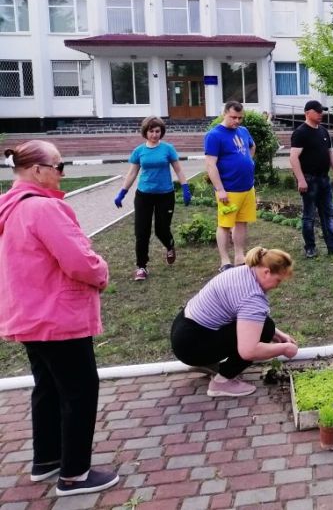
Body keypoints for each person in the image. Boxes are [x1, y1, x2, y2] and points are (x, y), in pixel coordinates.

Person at [0, 141, 119, 496]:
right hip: (57, 315)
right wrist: (102, 272)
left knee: (49, 387)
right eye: (58, 165)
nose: (62, 172)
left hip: (31, 313)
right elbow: (79, 261)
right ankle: (74, 475)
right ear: (37, 170)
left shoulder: (11, 207)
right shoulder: (43, 209)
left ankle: (48, 459)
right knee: (80, 391)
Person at [170, 246, 299, 397]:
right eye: (278, 280)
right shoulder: (252, 298)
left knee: (266, 326)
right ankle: (221, 382)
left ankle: (210, 364)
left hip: (183, 331)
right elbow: (249, 351)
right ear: (266, 272)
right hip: (192, 346)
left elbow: (246, 318)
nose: (278, 286)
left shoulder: (244, 271)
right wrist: (284, 349)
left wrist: (278, 334)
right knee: (265, 329)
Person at [114, 116, 192, 281]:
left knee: (161, 230)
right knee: (141, 232)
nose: (155, 135)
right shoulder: (139, 151)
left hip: (165, 195)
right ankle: (141, 266)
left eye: (157, 131)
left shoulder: (168, 149)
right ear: (145, 132)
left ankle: (170, 246)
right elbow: (132, 173)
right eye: (151, 131)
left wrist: (185, 188)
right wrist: (122, 192)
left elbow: (178, 170)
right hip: (144, 196)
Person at [289, 99, 333, 258]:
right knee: (309, 216)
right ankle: (310, 247)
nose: (321, 114)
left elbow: (330, 153)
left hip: (324, 179)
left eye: (322, 111)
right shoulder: (300, 132)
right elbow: (294, 158)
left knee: (328, 213)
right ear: (307, 113)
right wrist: (300, 179)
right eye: (317, 111)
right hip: (309, 180)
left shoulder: (323, 131)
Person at [205, 101, 256, 272]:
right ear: (224, 113)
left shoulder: (243, 131)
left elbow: (252, 146)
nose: (237, 121)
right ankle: (225, 261)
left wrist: (247, 161)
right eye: (233, 117)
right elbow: (211, 165)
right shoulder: (214, 135)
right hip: (229, 189)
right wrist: (220, 189)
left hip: (247, 187)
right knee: (225, 225)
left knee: (242, 222)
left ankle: (240, 256)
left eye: (240, 118)